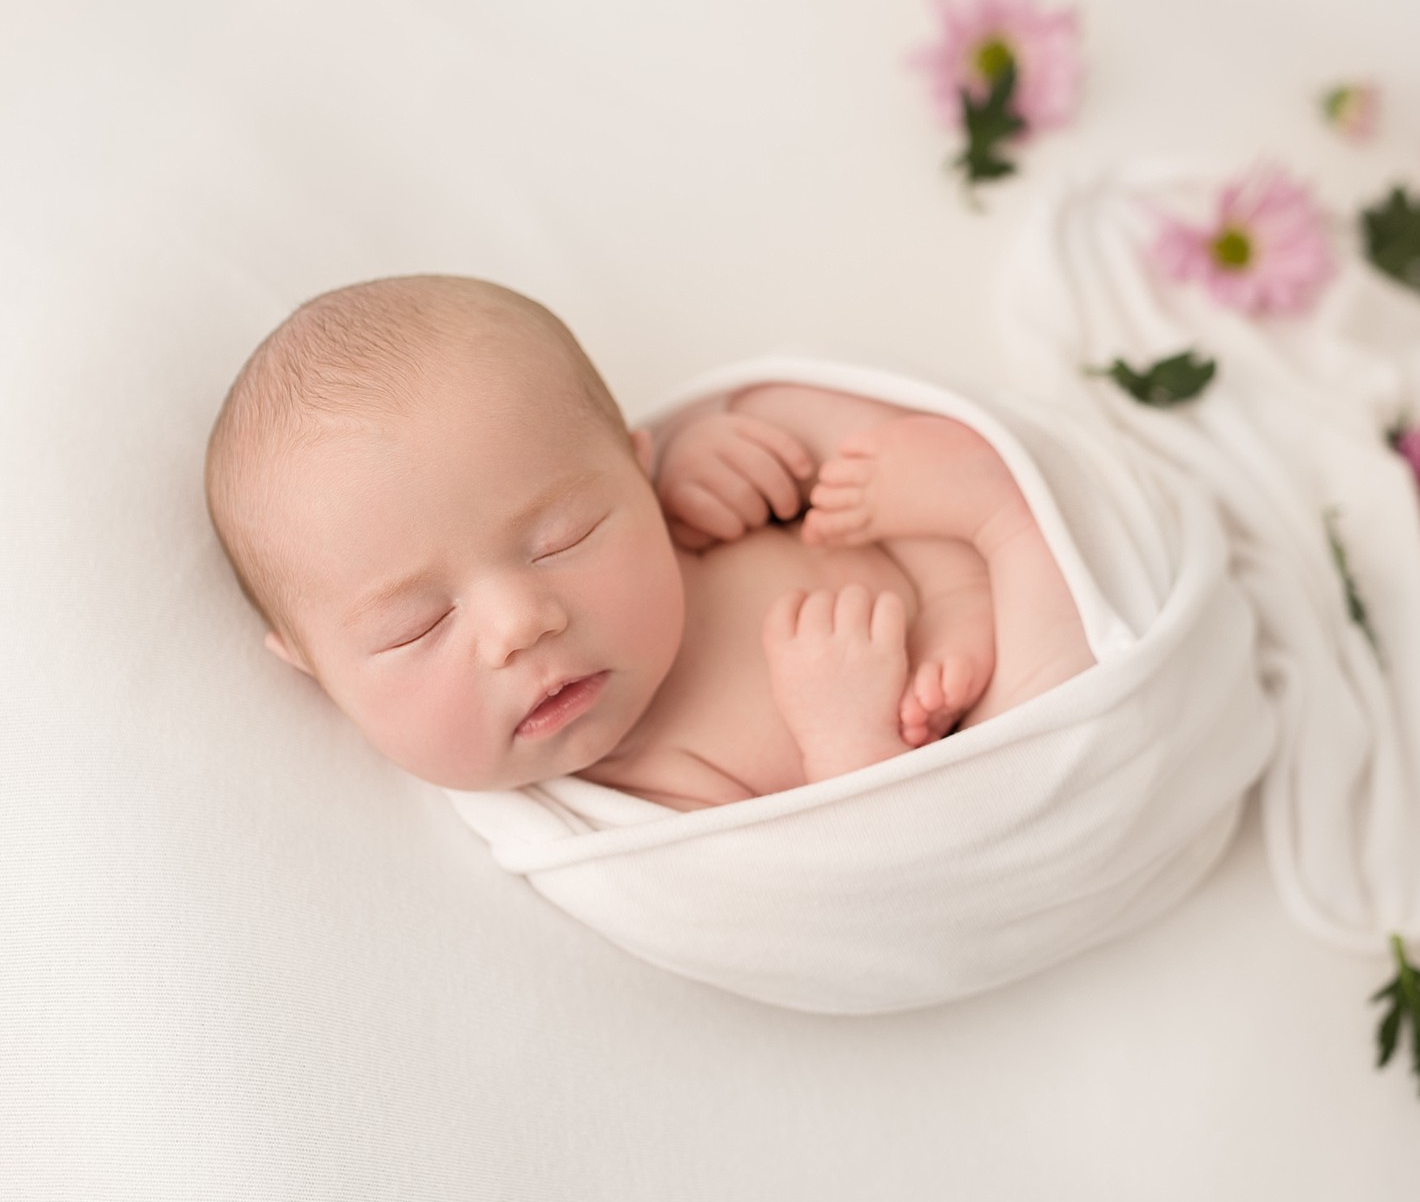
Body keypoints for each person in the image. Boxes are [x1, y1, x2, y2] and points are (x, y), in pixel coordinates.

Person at [203, 275, 1093, 811]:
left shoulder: (668, 521)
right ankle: (999, 524)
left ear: (633, 469)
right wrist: (845, 735)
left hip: (912, 555)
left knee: (771, 414)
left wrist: (713, 470)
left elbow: (756, 479)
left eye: (563, 536)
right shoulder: (648, 793)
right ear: (316, 670)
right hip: (965, 720)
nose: (520, 623)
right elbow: (869, 877)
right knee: (1041, 716)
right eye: (416, 625)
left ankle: (964, 571)